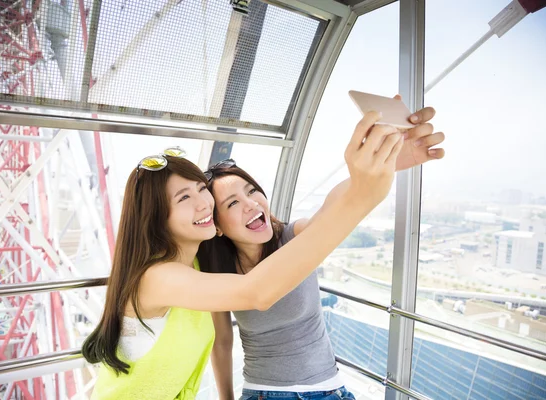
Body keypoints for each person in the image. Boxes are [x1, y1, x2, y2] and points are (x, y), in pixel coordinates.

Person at [81, 111, 403, 400]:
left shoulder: (198, 267)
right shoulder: (158, 278)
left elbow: (322, 217)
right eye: (184, 198)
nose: (203, 203)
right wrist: (366, 194)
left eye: (200, 189)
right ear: (157, 217)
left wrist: (384, 162)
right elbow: (256, 292)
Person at [197, 106, 444, 400]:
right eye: (233, 204)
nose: (251, 204)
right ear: (218, 226)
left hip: (329, 390)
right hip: (264, 394)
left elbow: (331, 208)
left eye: (252, 191)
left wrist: (378, 168)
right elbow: (222, 342)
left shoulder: (293, 237)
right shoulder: (219, 270)